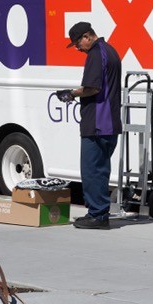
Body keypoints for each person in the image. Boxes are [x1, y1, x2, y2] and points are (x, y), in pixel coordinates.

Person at [55, 21, 122, 229]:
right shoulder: (110, 50)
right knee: (100, 170)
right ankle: (97, 212)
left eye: (77, 43)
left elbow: (92, 88)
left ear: (87, 37)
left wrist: (70, 94)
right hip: (109, 122)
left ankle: (99, 215)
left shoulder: (95, 54)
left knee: (92, 170)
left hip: (98, 123)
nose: (77, 48)